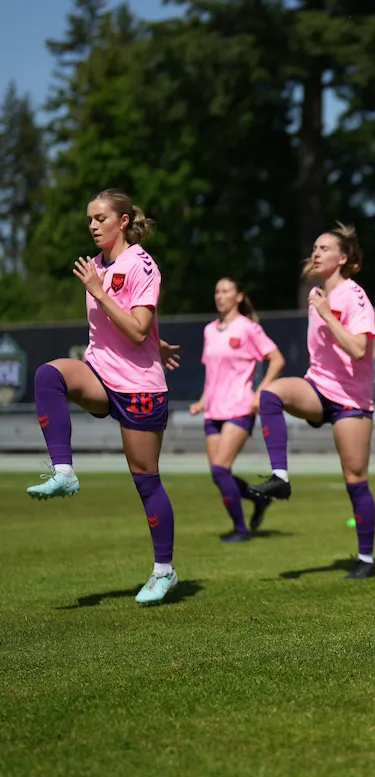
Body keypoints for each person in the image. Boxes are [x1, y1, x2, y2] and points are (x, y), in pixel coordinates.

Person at [27, 189, 182, 604]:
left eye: (100, 218)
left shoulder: (142, 264)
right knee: (48, 376)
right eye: (90, 219)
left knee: (146, 481)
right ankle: (65, 471)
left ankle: (164, 572)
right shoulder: (96, 266)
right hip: (100, 374)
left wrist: (101, 294)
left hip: (139, 388)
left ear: (124, 222)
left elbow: (135, 329)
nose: (93, 226)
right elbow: (131, 327)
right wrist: (158, 339)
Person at [248, 224, 375, 579]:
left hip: (351, 399)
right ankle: (280, 477)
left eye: (324, 248)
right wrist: (321, 307)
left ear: (343, 258)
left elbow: (357, 349)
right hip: (318, 387)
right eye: (315, 247)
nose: (316, 253)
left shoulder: (353, 296)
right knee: (270, 394)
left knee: (355, 478)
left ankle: (366, 559)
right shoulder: (318, 294)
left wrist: (325, 314)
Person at [189, 278, 285, 543]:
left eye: (226, 291)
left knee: (221, 469)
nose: (220, 296)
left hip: (239, 407)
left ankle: (240, 529)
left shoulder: (248, 328)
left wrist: (260, 394)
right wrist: (202, 401)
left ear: (239, 296)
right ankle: (259, 498)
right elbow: (213, 376)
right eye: (217, 291)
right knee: (218, 474)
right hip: (213, 412)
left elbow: (277, 360)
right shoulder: (209, 330)